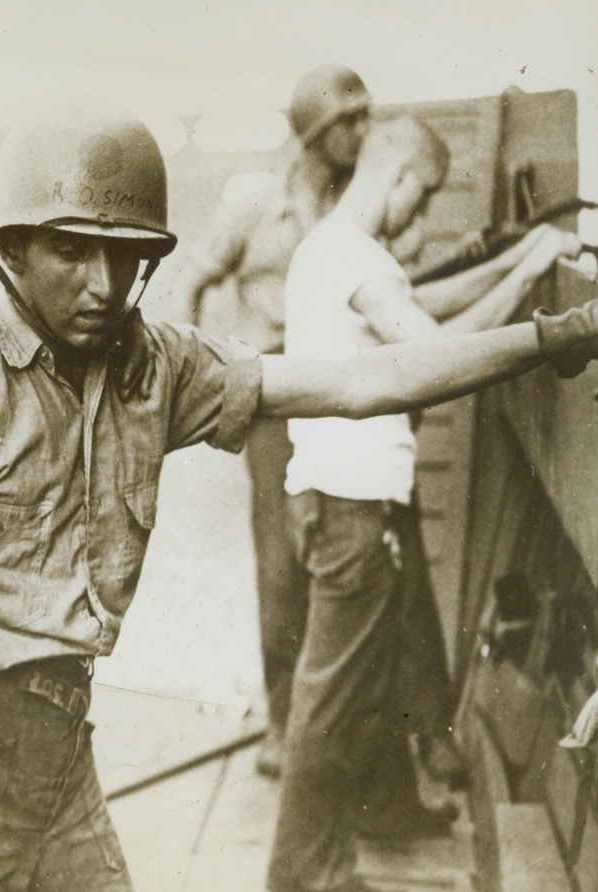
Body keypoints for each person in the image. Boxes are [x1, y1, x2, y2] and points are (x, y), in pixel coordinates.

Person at [0, 99, 598, 892]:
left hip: (63, 748)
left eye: (127, 256)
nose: (103, 284)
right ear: (11, 251)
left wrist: (558, 335)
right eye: (70, 251)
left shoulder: (155, 368)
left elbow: (362, 383)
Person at [269, 117, 582, 892]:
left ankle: (390, 811)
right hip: (352, 504)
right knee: (333, 701)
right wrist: (529, 276)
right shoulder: (355, 255)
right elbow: (431, 352)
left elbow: (414, 301)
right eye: (424, 196)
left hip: (344, 497)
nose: (421, 214)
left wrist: (515, 257)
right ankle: (308, 879)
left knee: (370, 679)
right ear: (401, 173)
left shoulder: (336, 250)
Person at [187, 63, 372, 777]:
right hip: (274, 404)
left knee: (351, 550)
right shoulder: (258, 206)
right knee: (280, 561)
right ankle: (282, 721)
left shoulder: (358, 206)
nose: (364, 130)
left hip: (343, 400)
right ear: (316, 131)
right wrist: (203, 372)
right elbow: (196, 279)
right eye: (350, 119)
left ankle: (340, 722)